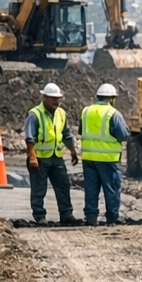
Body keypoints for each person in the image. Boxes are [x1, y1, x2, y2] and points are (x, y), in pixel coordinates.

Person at [25, 82, 79, 226]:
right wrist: (32, 157)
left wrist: (73, 151)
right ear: (44, 98)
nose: (56, 101)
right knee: (39, 188)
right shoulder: (35, 114)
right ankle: (40, 216)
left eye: (58, 98)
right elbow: (30, 138)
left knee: (63, 185)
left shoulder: (61, 113)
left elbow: (66, 134)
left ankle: (67, 215)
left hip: (56, 157)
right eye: (52, 98)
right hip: (40, 159)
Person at [79, 82, 130, 226]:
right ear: (112, 99)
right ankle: (112, 217)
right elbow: (123, 135)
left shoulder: (86, 111)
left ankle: (90, 218)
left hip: (88, 157)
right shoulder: (113, 113)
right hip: (107, 158)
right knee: (111, 188)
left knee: (91, 188)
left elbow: (82, 131)